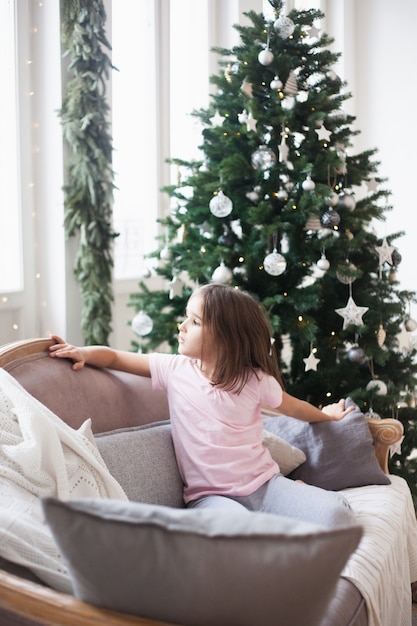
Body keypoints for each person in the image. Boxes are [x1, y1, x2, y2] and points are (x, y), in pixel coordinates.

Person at [49, 283, 356, 528]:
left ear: (226, 337)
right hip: (211, 498)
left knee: (339, 515)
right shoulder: (175, 369)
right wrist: (84, 353)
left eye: (194, 321)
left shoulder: (255, 380)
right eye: (186, 317)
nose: (182, 326)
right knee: (238, 537)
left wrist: (325, 416)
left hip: (265, 485)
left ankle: (287, 505)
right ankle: (272, 523)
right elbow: (116, 358)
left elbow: (293, 408)